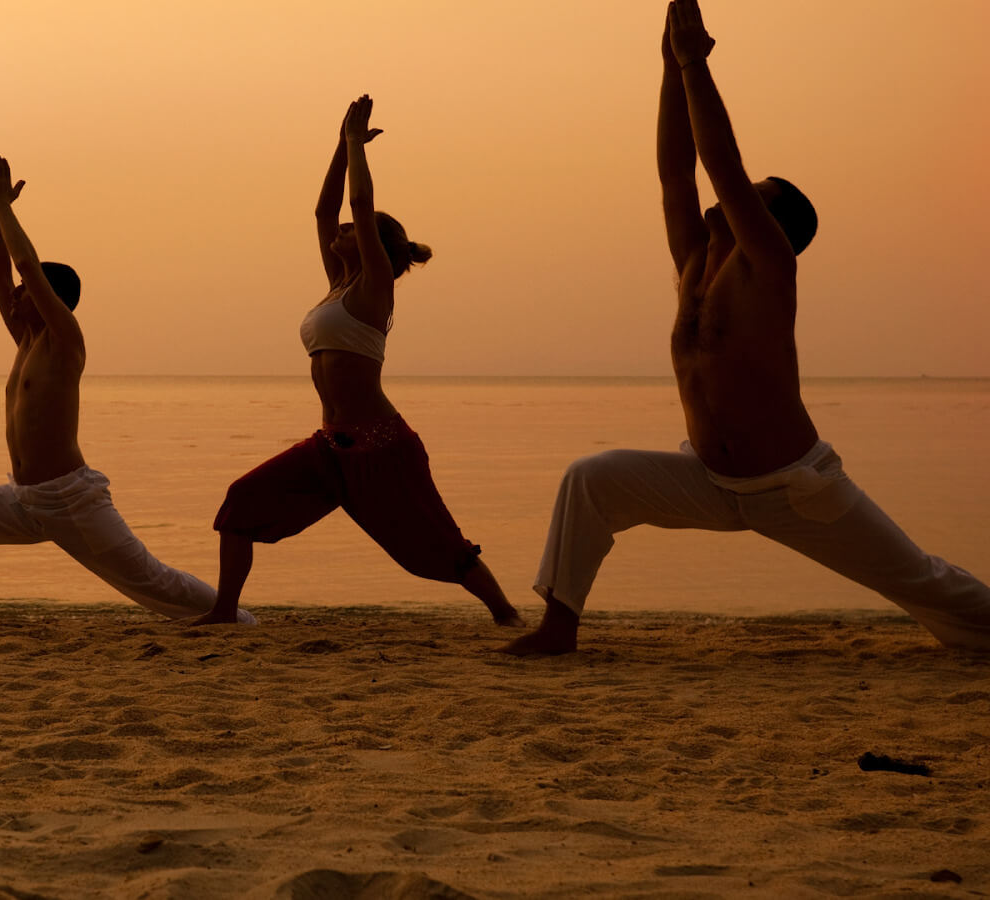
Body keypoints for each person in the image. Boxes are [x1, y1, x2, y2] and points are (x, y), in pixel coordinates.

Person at [501, 0, 990, 655]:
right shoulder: (697, 263)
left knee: (924, 583)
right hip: (710, 481)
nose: (729, 195)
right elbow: (675, 172)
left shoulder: (769, 264)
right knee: (592, 479)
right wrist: (669, 68)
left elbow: (719, 164)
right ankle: (558, 630)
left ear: (770, 223)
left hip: (794, 488)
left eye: (753, 195)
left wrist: (695, 63)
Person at [194, 96, 522, 626]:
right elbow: (324, 211)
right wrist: (338, 146)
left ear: (376, 247)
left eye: (351, 231)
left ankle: (505, 613)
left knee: (436, 546)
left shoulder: (375, 286)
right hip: (330, 447)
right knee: (242, 503)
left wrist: (356, 146)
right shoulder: (336, 285)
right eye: (342, 231)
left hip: (383, 448)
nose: (340, 230)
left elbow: (361, 208)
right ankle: (225, 611)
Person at [0, 156, 247, 625]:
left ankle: (234, 617)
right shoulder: (25, 341)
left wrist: (5, 207)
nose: (14, 295)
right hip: (24, 499)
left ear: (48, 296)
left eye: (25, 291)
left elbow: (24, 264)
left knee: (151, 580)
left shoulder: (65, 341)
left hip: (70, 499)